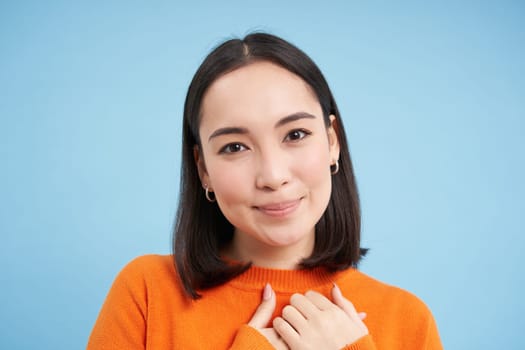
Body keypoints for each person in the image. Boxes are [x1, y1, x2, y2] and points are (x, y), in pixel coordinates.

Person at [87, 32, 443, 349]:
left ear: (332, 142)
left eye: (296, 135)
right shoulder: (148, 294)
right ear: (203, 169)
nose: (272, 176)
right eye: (235, 147)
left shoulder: (407, 320)